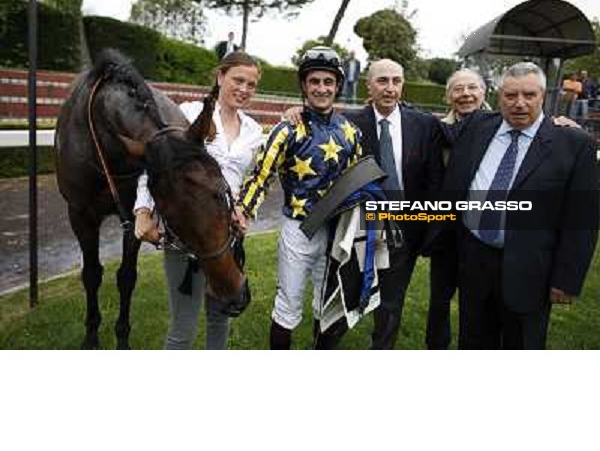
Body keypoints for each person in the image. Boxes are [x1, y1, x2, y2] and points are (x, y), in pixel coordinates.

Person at [436, 61, 598, 349]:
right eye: (511, 96)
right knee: (472, 342)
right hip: (474, 260)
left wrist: (568, 279)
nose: (519, 103)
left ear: (544, 96)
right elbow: (429, 128)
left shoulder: (573, 144)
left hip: (530, 270)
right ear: (499, 96)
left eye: (529, 95)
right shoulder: (476, 126)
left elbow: (582, 219)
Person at [133, 52, 264, 350]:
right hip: (187, 234)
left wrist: (245, 212)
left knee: (221, 319)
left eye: (251, 84)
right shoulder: (189, 114)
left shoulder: (255, 131)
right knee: (184, 329)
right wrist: (143, 210)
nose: (244, 89)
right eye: (238, 80)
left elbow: (256, 179)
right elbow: (156, 164)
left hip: (226, 237)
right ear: (220, 77)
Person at [235, 46, 362, 350]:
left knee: (326, 304)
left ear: (337, 86)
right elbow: (261, 175)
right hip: (298, 231)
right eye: (314, 81)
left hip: (335, 233)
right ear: (304, 85)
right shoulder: (287, 128)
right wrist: (243, 210)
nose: (321, 88)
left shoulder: (352, 132)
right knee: (288, 305)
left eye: (328, 82)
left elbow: (358, 184)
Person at [346, 59, 444, 349]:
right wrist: (295, 112)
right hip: (361, 227)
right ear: (369, 84)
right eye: (382, 81)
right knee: (346, 295)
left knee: (391, 301)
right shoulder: (350, 123)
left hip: (406, 228)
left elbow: (435, 179)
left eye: (396, 81)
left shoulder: (424, 124)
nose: (390, 88)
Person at [425, 68, 488, 349]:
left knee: (477, 302)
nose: (466, 94)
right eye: (458, 89)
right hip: (446, 228)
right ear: (448, 95)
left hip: (483, 230)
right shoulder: (437, 129)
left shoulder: (502, 125)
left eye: (472, 88)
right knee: (439, 298)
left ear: (484, 92)